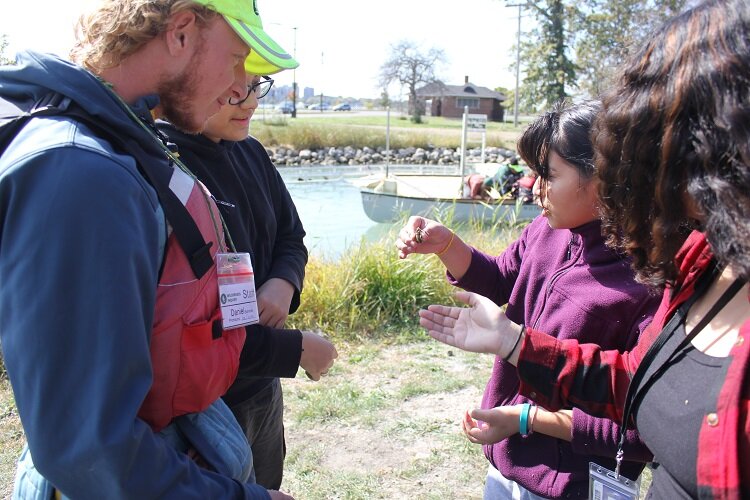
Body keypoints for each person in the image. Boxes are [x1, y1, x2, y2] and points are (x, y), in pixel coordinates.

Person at [418, 0, 750, 498]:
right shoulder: (696, 267)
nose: (641, 171)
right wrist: (504, 331)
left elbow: (635, 427)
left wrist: (530, 416)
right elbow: (637, 382)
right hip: (507, 467)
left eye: (655, 144)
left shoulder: (652, 270)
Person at [0, 0, 299, 498]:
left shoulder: (116, 140)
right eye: (237, 58)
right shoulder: (79, 170)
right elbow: (91, 450)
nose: (238, 86)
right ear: (181, 31)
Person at [397, 100, 659, 499]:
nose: (534, 187)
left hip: (574, 485)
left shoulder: (648, 279)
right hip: (505, 463)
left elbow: (644, 429)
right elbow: (503, 278)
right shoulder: (549, 228)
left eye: (548, 174)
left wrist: (527, 418)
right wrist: (446, 244)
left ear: (603, 179)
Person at [157, 74, 338, 489]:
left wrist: (282, 283)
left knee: (268, 484)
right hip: (204, 406)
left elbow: (292, 237)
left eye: (258, 86)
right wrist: (296, 350)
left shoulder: (251, 152)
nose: (251, 101)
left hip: (262, 387)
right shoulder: (166, 165)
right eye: (235, 88)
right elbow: (185, 329)